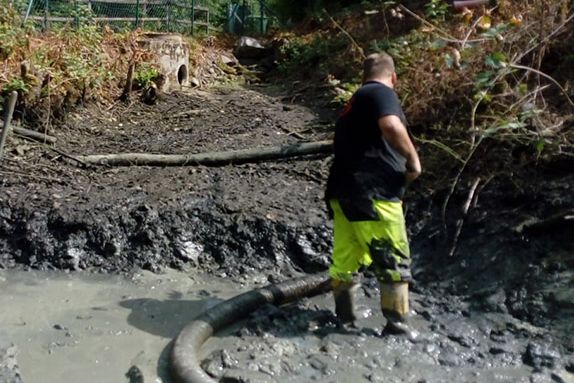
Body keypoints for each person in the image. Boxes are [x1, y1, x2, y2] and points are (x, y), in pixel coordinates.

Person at [325, 52, 421, 335]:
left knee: (345, 261)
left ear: (362, 76)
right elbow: (391, 124)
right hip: (373, 194)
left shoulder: (353, 102)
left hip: (343, 193)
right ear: (394, 77)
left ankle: (344, 321)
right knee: (392, 258)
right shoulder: (381, 93)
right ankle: (398, 326)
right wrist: (413, 159)